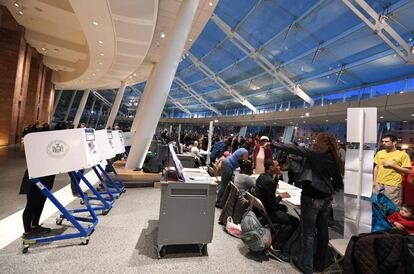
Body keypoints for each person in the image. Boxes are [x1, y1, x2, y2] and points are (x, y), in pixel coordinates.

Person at [273, 132, 344, 273]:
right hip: (326, 198)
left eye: (318, 140)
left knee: (308, 232)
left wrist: (275, 144)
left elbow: (296, 149)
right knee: (323, 231)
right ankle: (320, 264)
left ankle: (307, 266)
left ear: (325, 143)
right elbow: (337, 180)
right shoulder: (334, 157)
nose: (315, 142)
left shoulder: (316, 155)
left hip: (311, 195)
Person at [255, 159, 299, 259]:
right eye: (277, 165)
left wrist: (277, 178)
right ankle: (275, 246)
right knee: (294, 221)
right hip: (268, 212)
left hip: (261, 210)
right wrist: (280, 196)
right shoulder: (269, 181)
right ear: (271, 167)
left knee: (283, 207)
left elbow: (271, 190)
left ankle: (277, 234)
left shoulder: (263, 177)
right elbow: (272, 204)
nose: (279, 167)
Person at [373, 134, 411, 206]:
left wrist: (392, 165)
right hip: (379, 184)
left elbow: (408, 171)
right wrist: (374, 181)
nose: (384, 143)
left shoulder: (402, 155)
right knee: (377, 206)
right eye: (383, 141)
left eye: (387, 141)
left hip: (393, 185)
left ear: (394, 142)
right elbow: (376, 167)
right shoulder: (380, 153)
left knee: (392, 207)